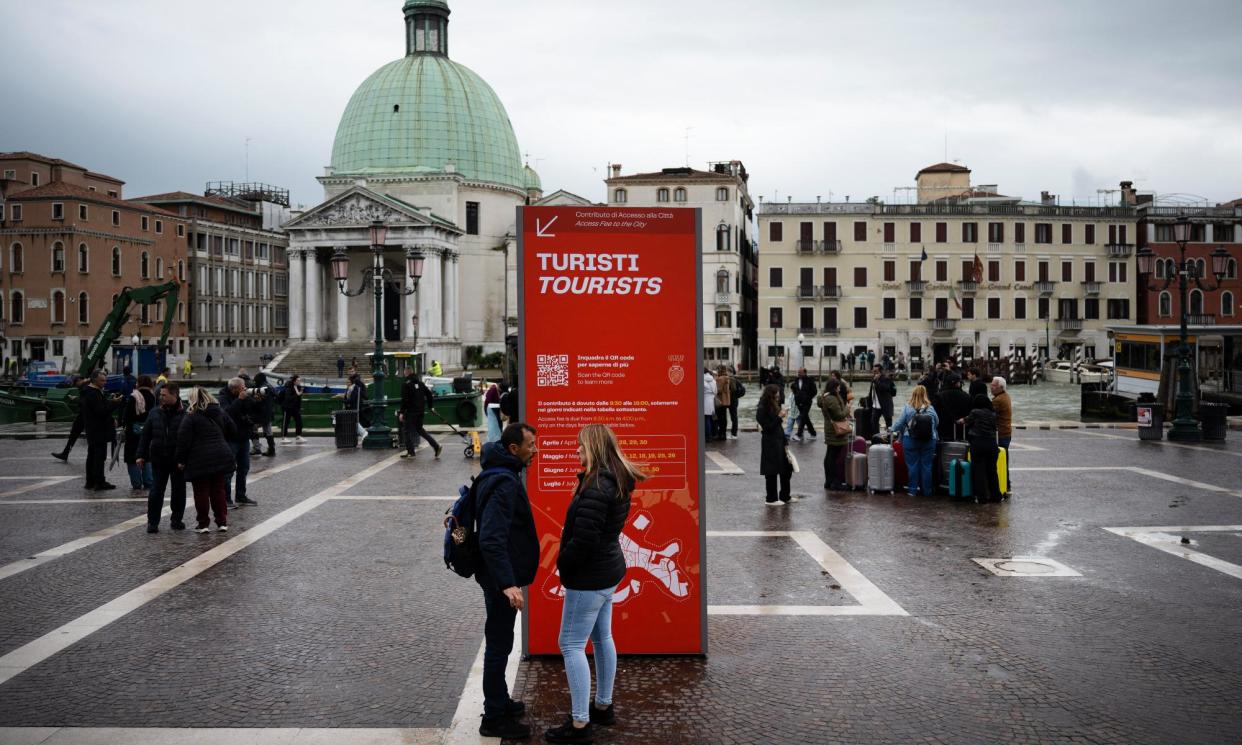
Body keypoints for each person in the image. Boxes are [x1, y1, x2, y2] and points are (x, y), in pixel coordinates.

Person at [545, 424, 642, 743]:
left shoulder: (596, 487)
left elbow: (583, 541)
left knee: (570, 645)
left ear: (595, 449)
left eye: (581, 447)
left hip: (588, 578)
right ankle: (603, 706)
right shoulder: (614, 481)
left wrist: (562, 563)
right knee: (603, 638)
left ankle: (580, 724)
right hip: (608, 572)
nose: (577, 451)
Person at [474, 423, 540, 740]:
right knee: (499, 646)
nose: (536, 450)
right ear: (514, 449)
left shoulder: (500, 470)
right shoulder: (505, 483)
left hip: (497, 575)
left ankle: (500, 701)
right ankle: (494, 717)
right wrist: (507, 583)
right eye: (531, 445)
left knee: (501, 642)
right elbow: (491, 538)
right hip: (499, 578)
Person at [175, 387, 237, 533]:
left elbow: (183, 440)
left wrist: (181, 460)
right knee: (218, 491)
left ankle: (203, 524)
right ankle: (222, 522)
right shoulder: (220, 412)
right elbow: (233, 430)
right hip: (220, 455)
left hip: (199, 458)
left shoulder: (191, 416)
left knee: (201, 492)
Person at [137, 382, 187, 533]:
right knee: (156, 491)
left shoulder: (186, 412)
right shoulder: (155, 412)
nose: (161, 397)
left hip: (178, 460)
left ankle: (177, 520)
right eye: (160, 395)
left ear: (175, 395)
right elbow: (145, 435)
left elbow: (189, 438)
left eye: (164, 395)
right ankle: (152, 522)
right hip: (159, 458)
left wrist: (185, 459)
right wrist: (141, 455)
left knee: (179, 491)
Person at [891, 385, 940, 497]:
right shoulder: (930, 408)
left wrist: (891, 430)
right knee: (927, 466)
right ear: (925, 395)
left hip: (910, 440)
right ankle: (927, 491)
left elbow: (899, 423)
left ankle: (912, 490)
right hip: (928, 440)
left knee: (912, 466)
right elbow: (937, 423)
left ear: (913, 394)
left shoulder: (907, 408)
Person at [80, 370, 120, 491]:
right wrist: (114, 403)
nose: (105, 382)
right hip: (98, 429)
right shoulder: (93, 393)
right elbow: (101, 411)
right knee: (98, 456)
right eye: (102, 380)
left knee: (92, 455)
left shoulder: (89, 391)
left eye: (105, 380)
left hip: (93, 428)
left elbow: (99, 408)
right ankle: (99, 481)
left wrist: (111, 415)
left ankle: (90, 481)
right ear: (94, 380)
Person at [960, 394, 1002, 502]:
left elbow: (966, 420)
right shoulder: (993, 414)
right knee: (992, 470)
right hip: (992, 445)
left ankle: (982, 497)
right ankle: (996, 496)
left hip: (978, 443)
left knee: (979, 471)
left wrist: (959, 421)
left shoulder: (975, 412)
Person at [222, 378, 258, 507]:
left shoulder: (244, 396)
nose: (245, 389)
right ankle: (226, 499)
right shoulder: (224, 397)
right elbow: (227, 413)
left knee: (244, 469)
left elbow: (252, 410)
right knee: (228, 470)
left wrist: (256, 399)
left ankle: (241, 496)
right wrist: (239, 400)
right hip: (230, 439)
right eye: (243, 387)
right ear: (235, 389)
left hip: (244, 437)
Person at [757, 384, 793, 505]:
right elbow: (767, 428)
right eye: (776, 394)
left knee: (786, 469)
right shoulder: (762, 408)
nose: (778, 396)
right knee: (771, 471)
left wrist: (785, 440)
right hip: (770, 442)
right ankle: (771, 498)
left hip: (779, 440)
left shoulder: (773, 405)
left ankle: (785, 496)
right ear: (771, 394)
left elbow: (777, 426)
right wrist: (779, 417)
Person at [122, 375, 156, 491]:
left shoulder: (134, 396)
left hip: (133, 432)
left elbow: (126, 416)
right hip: (148, 430)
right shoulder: (152, 396)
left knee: (132, 456)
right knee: (146, 455)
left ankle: (136, 483)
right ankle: (148, 481)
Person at [398, 369, 441, 458]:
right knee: (420, 430)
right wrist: (430, 406)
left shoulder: (406, 384)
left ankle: (411, 452)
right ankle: (436, 446)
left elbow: (405, 400)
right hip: (420, 411)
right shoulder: (421, 384)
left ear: (406, 373)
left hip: (410, 412)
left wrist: (401, 412)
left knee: (406, 431)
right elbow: (429, 394)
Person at [817, 379, 851, 491]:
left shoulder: (825, 397)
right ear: (834, 387)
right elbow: (839, 415)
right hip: (835, 430)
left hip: (830, 428)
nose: (839, 389)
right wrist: (847, 409)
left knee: (830, 455)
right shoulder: (831, 399)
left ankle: (829, 481)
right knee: (833, 457)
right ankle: (834, 482)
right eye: (838, 387)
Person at [51, 376, 88, 461]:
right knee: (74, 434)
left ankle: (65, 453)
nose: (76, 386)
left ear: (79, 380)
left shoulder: (85, 387)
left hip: (84, 416)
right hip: (83, 416)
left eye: (76, 384)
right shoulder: (85, 386)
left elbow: (85, 402)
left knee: (75, 435)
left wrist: (76, 399)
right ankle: (65, 453)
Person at [991, 376, 1013, 494]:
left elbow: (988, 413)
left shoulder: (998, 400)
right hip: (1006, 432)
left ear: (1000, 387)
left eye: (994, 385)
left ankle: (1003, 485)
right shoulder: (1006, 396)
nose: (991, 387)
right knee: (1004, 460)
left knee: (999, 460)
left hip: (1000, 434)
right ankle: (1006, 485)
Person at [250, 372, 277, 457]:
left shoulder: (261, 388)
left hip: (260, 412)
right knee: (268, 431)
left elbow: (257, 402)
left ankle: (256, 448)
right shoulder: (270, 386)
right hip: (269, 412)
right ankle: (271, 449)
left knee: (253, 429)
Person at [790, 368, 818, 441]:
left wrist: (808, 398)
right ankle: (813, 433)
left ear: (805, 373)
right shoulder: (796, 380)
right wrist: (796, 395)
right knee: (806, 418)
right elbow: (793, 388)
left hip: (807, 403)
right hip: (798, 403)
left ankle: (799, 435)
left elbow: (814, 391)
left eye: (800, 373)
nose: (798, 374)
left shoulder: (810, 381)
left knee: (803, 417)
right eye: (798, 372)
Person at [868, 365, 896, 431]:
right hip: (876, 406)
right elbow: (872, 392)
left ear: (880, 372)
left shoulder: (886, 379)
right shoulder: (874, 379)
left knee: (888, 423)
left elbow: (885, 388)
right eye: (873, 371)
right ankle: (876, 437)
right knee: (874, 421)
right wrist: (869, 401)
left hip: (886, 405)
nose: (874, 373)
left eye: (876, 371)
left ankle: (889, 438)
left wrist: (876, 381)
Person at [280, 374, 307, 444]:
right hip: (287, 407)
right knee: (286, 422)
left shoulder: (298, 387)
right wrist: (297, 395)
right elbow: (288, 398)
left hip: (295, 408)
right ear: (294, 381)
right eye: (298, 380)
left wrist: (299, 406)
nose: (299, 381)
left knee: (299, 421)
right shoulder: (288, 387)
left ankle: (298, 436)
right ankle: (283, 437)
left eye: (300, 380)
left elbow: (298, 399)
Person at [712, 366, 733, 442]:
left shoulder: (720, 379)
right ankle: (723, 434)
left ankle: (720, 434)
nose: (717, 371)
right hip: (726, 401)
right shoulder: (727, 378)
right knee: (724, 418)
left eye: (718, 370)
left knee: (720, 418)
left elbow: (718, 390)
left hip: (721, 401)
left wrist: (715, 381)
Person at [702, 368, 717, 442]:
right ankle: (711, 435)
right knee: (710, 419)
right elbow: (716, 391)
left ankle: (707, 437)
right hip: (712, 401)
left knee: (706, 420)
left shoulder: (702, 379)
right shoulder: (713, 380)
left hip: (704, 401)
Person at [727, 365, 742, 438]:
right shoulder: (737, 380)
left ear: (730, 372)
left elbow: (738, 390)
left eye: (727, 371)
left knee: (733, 417)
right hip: (734, 401)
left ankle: (734, 434)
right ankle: (734, 434)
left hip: (732, 401)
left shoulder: (732, 380)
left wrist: (735, 395)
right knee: (734, 417)